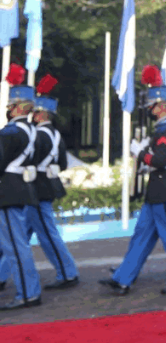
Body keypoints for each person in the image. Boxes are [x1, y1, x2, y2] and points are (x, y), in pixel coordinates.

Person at [99, 65, 166, 295]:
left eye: (153, 106)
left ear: (162, 107)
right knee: (141, 237)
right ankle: (123, 278)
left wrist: (141, 153)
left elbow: (160, 160)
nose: (150, 110)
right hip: (157, 188)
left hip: (164, 186)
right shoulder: (163, 128)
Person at [25, 75, 79, 290]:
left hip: (36, 188)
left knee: (47, 234)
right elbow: (63, 163)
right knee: (20, 234)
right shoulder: (56, 135)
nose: (33, 115)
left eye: (35, 112)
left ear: (43, 114)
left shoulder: (38, 135)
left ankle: (67, 273)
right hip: (47, 185)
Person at [0, 64, 41, 309]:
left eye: (10, 106)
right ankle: (28, 291)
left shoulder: (11, 132)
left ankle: (28, 293)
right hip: (16, 188)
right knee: (16, 245)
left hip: (7, 191)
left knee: (15, 247)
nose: (8, 110)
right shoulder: (30, 130)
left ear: (17, 107)